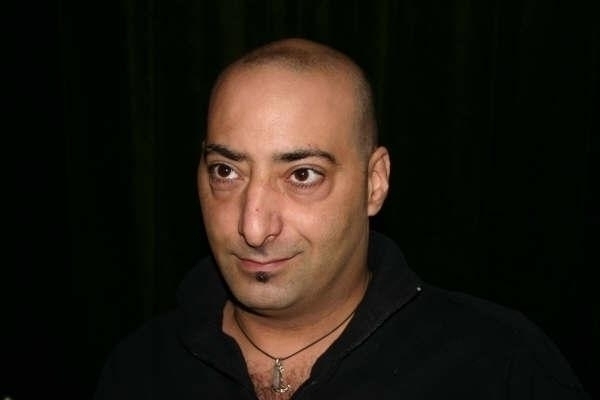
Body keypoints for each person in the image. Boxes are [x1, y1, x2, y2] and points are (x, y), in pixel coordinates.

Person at [94, 38, 589, 399]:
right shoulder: (141, 368)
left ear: (375, 183)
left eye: (302, 175)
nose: (253, 227)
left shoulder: (498, 366)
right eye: (226, 171)